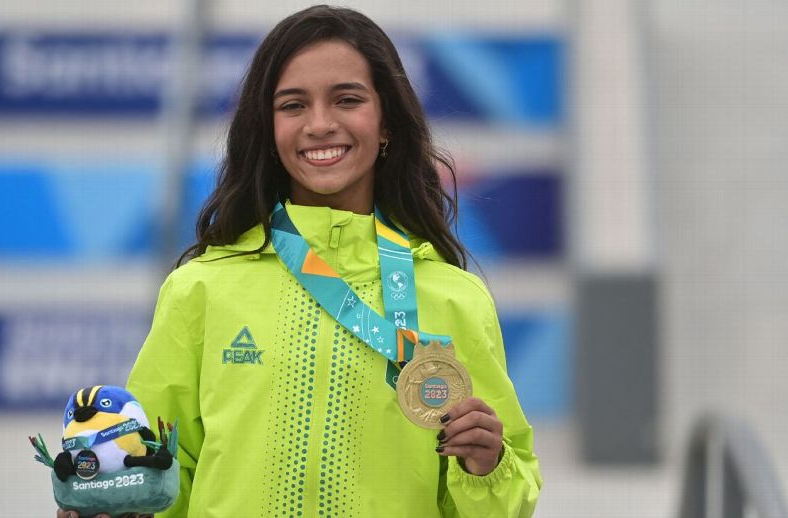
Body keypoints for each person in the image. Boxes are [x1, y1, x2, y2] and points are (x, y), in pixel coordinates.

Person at [60, 5, 541, 517]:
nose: (319, 124)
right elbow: (158, 476)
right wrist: (110, 504)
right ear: (267, 131)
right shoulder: (200, 290)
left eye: (347, 99)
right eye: (293, 106)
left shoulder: (455, 299)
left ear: (386, 125)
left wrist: (486, 467)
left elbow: (507, 498)